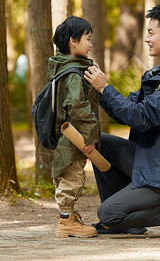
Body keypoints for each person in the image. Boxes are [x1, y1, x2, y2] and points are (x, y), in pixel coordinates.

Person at [84, 4, 160, 238]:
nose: (146, 39)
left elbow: (141, 117)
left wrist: (104, 88)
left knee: (107, 214)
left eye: (151, 32)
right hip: (154, 160)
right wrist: (99, 90)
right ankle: (128, 221)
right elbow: (130, 108)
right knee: (99, 143)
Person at [49, 16, 100, 238]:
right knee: (72, 176)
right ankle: (66, 222)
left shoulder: (65, 67)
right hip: (73, 136)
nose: (90, 44)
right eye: (87, 39)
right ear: (73, 41)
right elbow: (78, 107)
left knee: (70, 175)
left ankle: (68, 218)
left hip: (67, 135)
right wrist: (90, 136)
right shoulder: (72, 74)